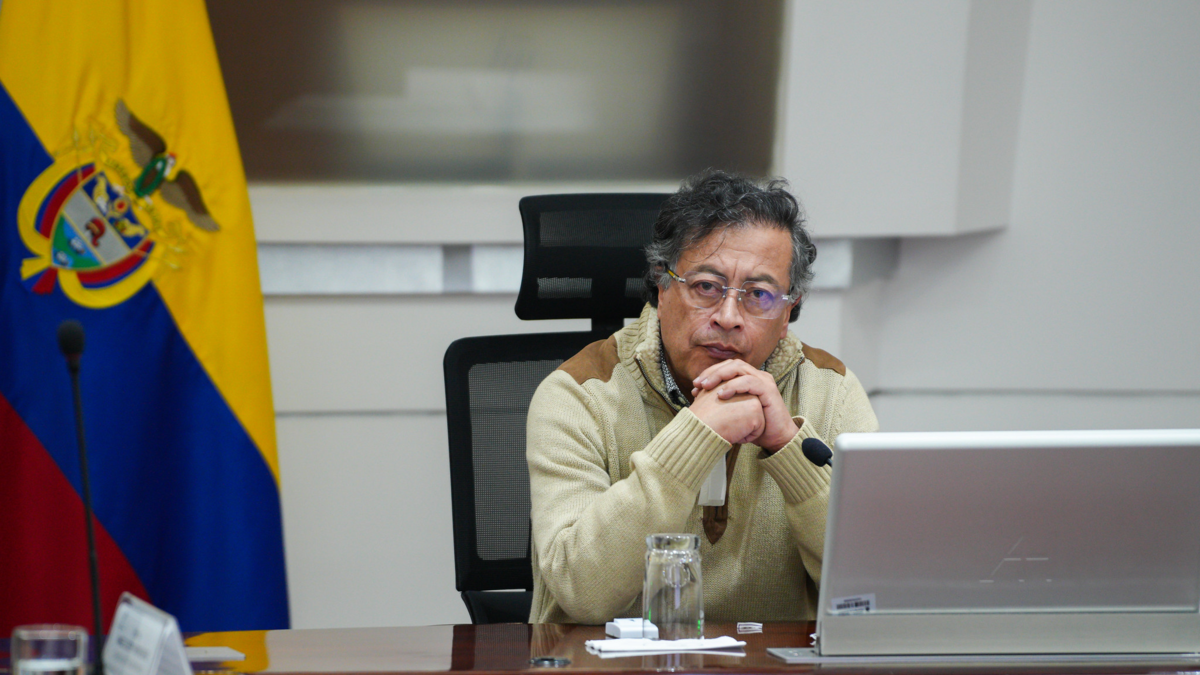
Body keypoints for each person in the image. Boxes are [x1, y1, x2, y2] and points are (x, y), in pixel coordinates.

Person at [526, 170, 878, 624]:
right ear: (662, 287)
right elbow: (582, 591)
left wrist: (788, 447)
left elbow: (872, 587)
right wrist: (695, 436)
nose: (728, 317)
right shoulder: (579, 394)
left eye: (758, 294)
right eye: (706, 287)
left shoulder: (831, 391)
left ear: (788, 311)